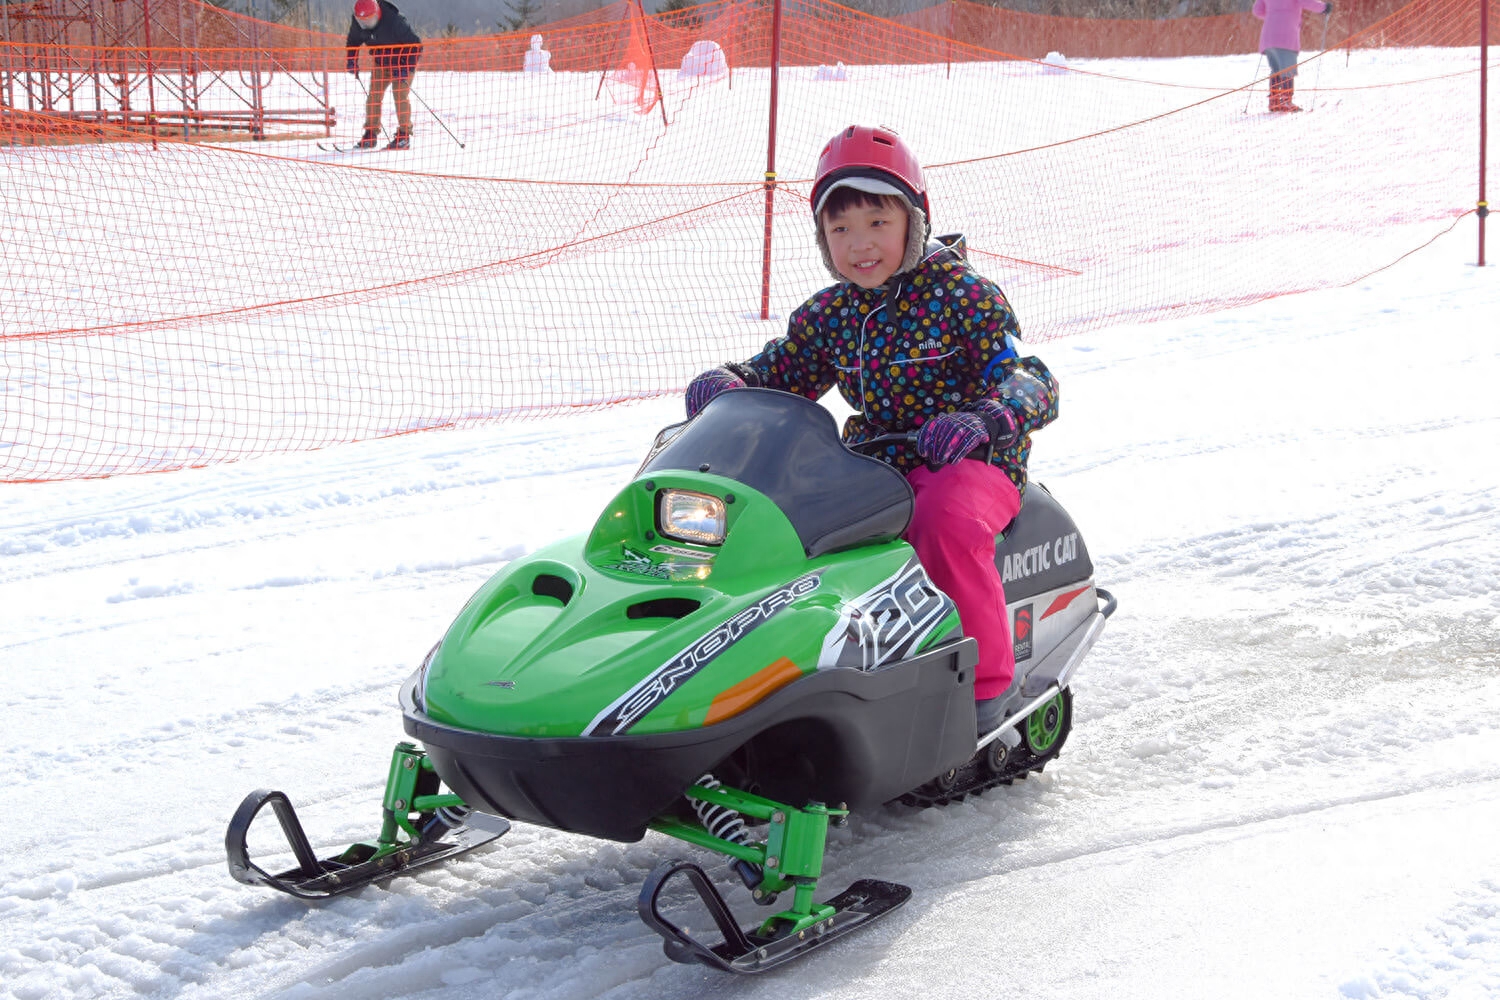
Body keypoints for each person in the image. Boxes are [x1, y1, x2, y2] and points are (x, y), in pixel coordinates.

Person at [684, 125, 1059, 735]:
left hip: (972, 463)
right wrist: (732, 383)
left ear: (914, 221)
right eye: (841, 229)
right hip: (873, 468)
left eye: (878, 224)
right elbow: (784, 372)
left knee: (942, 521)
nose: (860, 245)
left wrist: (985, 418)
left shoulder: (965, 296)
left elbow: (1032, 377)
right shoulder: (829, 314)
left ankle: (986, 689)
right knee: (786, 533)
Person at [345, 0, 423, 149]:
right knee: (374, 96)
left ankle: (404, 135)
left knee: (400, 95)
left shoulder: (395, 21)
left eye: (370, 20)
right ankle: (370, 134)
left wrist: (406, 67)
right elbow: (353, 41)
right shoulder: (358, 21)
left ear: (377, 14)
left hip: (402, 62)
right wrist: (351, 60)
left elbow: (416, 45)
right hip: (381, 62)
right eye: (363, 22)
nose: (366, 24)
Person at [1253, 0, 1333, 113]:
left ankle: (1274, 101)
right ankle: (1286, 101)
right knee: (1288, 71)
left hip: (1268, 36)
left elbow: (1257, 11)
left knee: (1275, 70)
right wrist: (1324, 7)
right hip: (1286, 36)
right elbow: (1307, 2)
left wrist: (1274, 14)